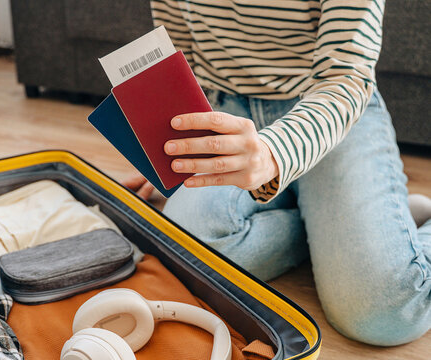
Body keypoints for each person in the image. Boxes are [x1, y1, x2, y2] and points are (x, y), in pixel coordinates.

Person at [124, 0, 431, 346]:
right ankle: (337, 229)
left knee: (386, 311)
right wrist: (171, 151)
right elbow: (183, 55)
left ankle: (364, 230)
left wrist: (273, 154)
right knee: (187, 251)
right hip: (227, 111)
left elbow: (345, 77)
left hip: (331, 109)